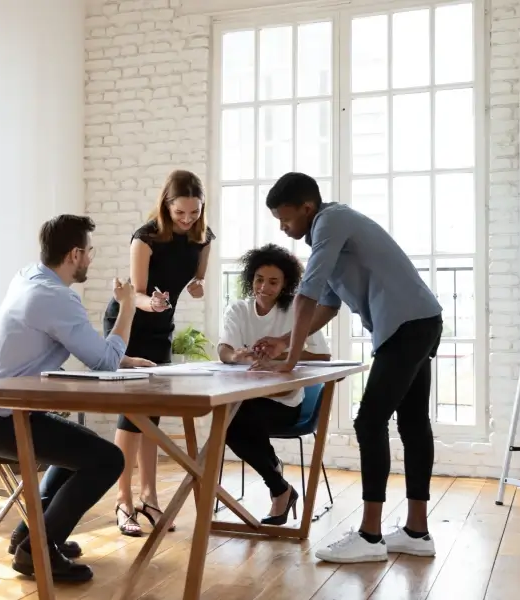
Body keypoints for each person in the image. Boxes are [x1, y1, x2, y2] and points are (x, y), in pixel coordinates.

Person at [252, 172, 443, 563]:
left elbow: (305, 293)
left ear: (307, 208)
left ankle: (370, 536)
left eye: (285, 219)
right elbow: (326, 304)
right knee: (411, 422)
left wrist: (289, 360)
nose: (284, 228)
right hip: (420, 321)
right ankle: (417, 532)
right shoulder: (329, 232)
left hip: (407, 326)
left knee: (369, 422)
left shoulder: (330, 222)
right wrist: (284, 341)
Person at [0, 214, 153, 583]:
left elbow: (83, 350)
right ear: (74, 254)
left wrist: (121, 357)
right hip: (2, 422)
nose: (90, 260)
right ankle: (37, 550)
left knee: (80, 449)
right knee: (107, 459)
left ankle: (29, 534)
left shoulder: (28, 278)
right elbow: (102, 362)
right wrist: (127, 306)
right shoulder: (56, 298)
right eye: (89, 253)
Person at [103, 169, 215, 536]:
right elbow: (134, 296)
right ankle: (123, 502)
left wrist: (197, 287)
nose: (187, 220)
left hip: (161, 329)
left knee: (150, 417)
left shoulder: (203, 238)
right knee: (130, 416)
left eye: (193, 213)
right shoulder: (145, 238)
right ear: (166, 206)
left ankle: (149, 498)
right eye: (180, 212)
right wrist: (150, 303)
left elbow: (197, 279)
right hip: (129, 323)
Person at [218, 244, 330, 524]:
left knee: (232, 422)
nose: (264, 287)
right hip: (246, 399)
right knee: (231, 419)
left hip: (286, 402)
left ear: (285, 284)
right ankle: (280, 487)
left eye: (273, 282)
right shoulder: (239, 310)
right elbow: (224, 350)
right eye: (258, 279)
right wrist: (236, 355)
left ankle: (278, 487)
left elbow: (323, 355)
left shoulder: (296, 309)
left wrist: (285, 353)